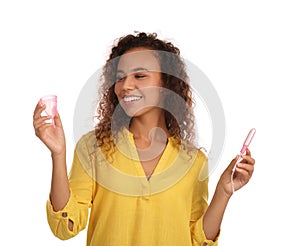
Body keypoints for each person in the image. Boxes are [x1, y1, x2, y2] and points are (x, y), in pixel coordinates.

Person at [33, 32, 255, 246]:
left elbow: (198, 241)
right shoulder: (94, 147)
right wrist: (58, 154)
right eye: (120, 78)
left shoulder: (193, 160)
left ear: (165, 84)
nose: (126, 85)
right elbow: (66, 226)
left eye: (139, 75)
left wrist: (224, 192)